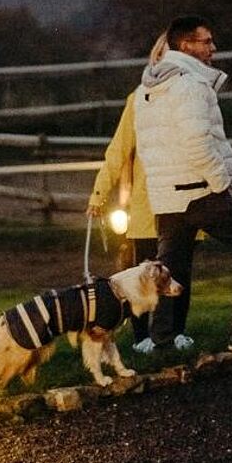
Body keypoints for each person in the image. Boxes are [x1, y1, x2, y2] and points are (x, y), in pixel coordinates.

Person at [135, 15, 232, 354]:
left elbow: (147, 147)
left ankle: (162, 341)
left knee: (170, 268)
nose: (213, 48)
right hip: (198, 189)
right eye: (207, 41)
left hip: (167, 195)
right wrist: (220, 181)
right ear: (186, 45)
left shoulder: (147, 88)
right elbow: (198, 141)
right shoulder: (189, 85)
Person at [86, 86, 160, 352]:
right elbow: (118, 150)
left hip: (176, 202)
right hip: (145, 203)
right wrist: (99, 194)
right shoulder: (140, 100)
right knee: (140, 269)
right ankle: (142, 335)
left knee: (175, 269)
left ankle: (170, 332)